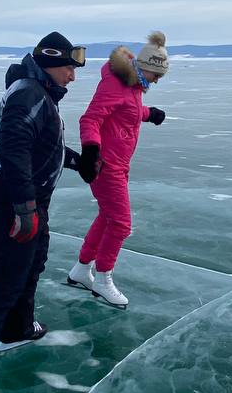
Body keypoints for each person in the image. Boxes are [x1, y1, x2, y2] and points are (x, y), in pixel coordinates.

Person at [0, 31, 93, 393]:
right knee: (6, 279)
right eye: (69, 68)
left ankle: (16, 329)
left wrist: (77, 162)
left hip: (28, 198)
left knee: (32, 264)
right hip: (14, 198)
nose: (73, 77)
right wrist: (24, 208)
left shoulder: (39, 92)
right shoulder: (28, 93)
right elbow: (12, 150)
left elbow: (41, 145)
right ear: (49, 62)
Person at [67, 31, 169, 307]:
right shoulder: (115, 84)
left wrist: (150, 114)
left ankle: (81, 270)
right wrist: (90, 151)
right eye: (156, 75)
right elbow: (91, 119)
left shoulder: (133, 86)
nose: (157, 81)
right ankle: (102, 280)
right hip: (105, 165)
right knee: (121, 224)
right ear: (144, 67)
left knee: (108, 217)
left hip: (120, 164)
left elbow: (127, 111)